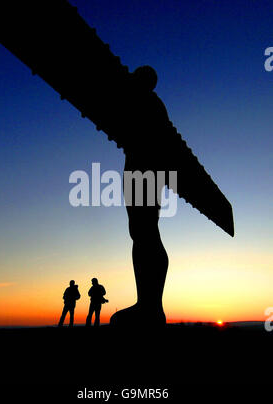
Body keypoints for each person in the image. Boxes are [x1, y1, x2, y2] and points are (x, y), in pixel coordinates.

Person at [110, 66, 170, 327]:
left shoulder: (147, 103)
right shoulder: (153, 105)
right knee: (143, 231)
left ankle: (150, 306)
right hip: (146, 170)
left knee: (144, 230)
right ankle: (148, 303)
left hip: (142, 171)